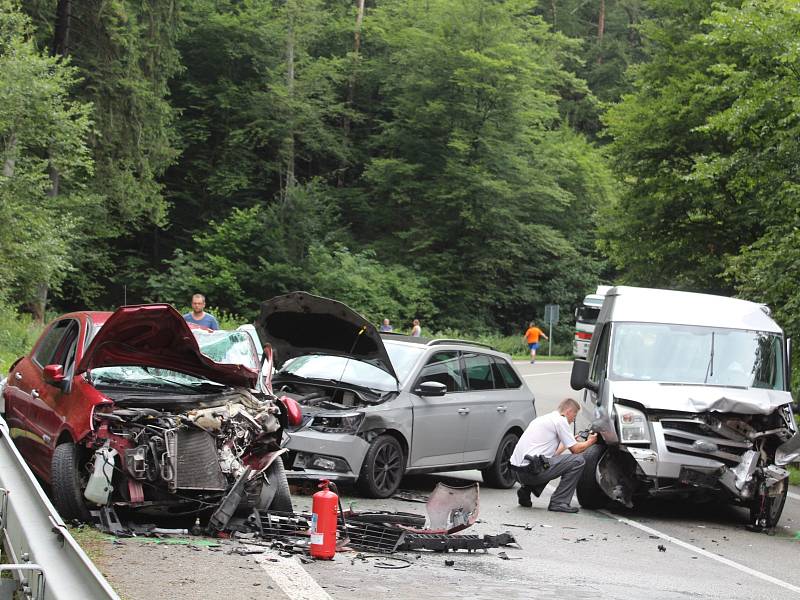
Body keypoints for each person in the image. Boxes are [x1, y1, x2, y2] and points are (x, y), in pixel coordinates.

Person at [510, 398, 597, 513]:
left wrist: (567, 443)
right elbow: (576, 450)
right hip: (531, 472)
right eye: (574, 416)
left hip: (516, 472)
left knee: (549, 463)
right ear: (569, 411)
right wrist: (591, 441)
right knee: (578, 461)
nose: (573, 420)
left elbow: (553, 456)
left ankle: (527, 490)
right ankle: (559, 502)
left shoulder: (543, 419)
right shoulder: (561, 421)